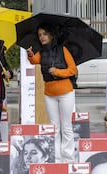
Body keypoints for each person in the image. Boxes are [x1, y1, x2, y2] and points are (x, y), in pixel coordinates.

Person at [26, 22, 78, 162]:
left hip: (66, 91)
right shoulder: (41, 52)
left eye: (45, 34)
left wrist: (58, 72)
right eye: (40, 35)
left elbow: (73, 70)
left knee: (66, 127)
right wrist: (30, 54)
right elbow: (34, 60)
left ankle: (68, 158)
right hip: (49, 94)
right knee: (53, 127)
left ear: (51, 35)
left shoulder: (63, 49)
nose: (42, 37)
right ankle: (56, 158)